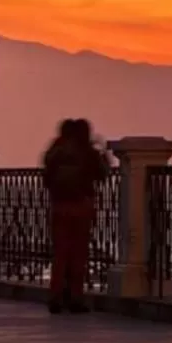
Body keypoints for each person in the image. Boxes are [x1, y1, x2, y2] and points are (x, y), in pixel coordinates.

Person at [43, 118, 108, 314]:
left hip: (59, 206)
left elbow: (46, 178)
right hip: (81, 206)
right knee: (78, 254)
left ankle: (55, 296)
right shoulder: (87, 151)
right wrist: (103, 153)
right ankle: (75, 297)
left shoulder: (56, 151)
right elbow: (102, 173)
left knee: (60, 254)